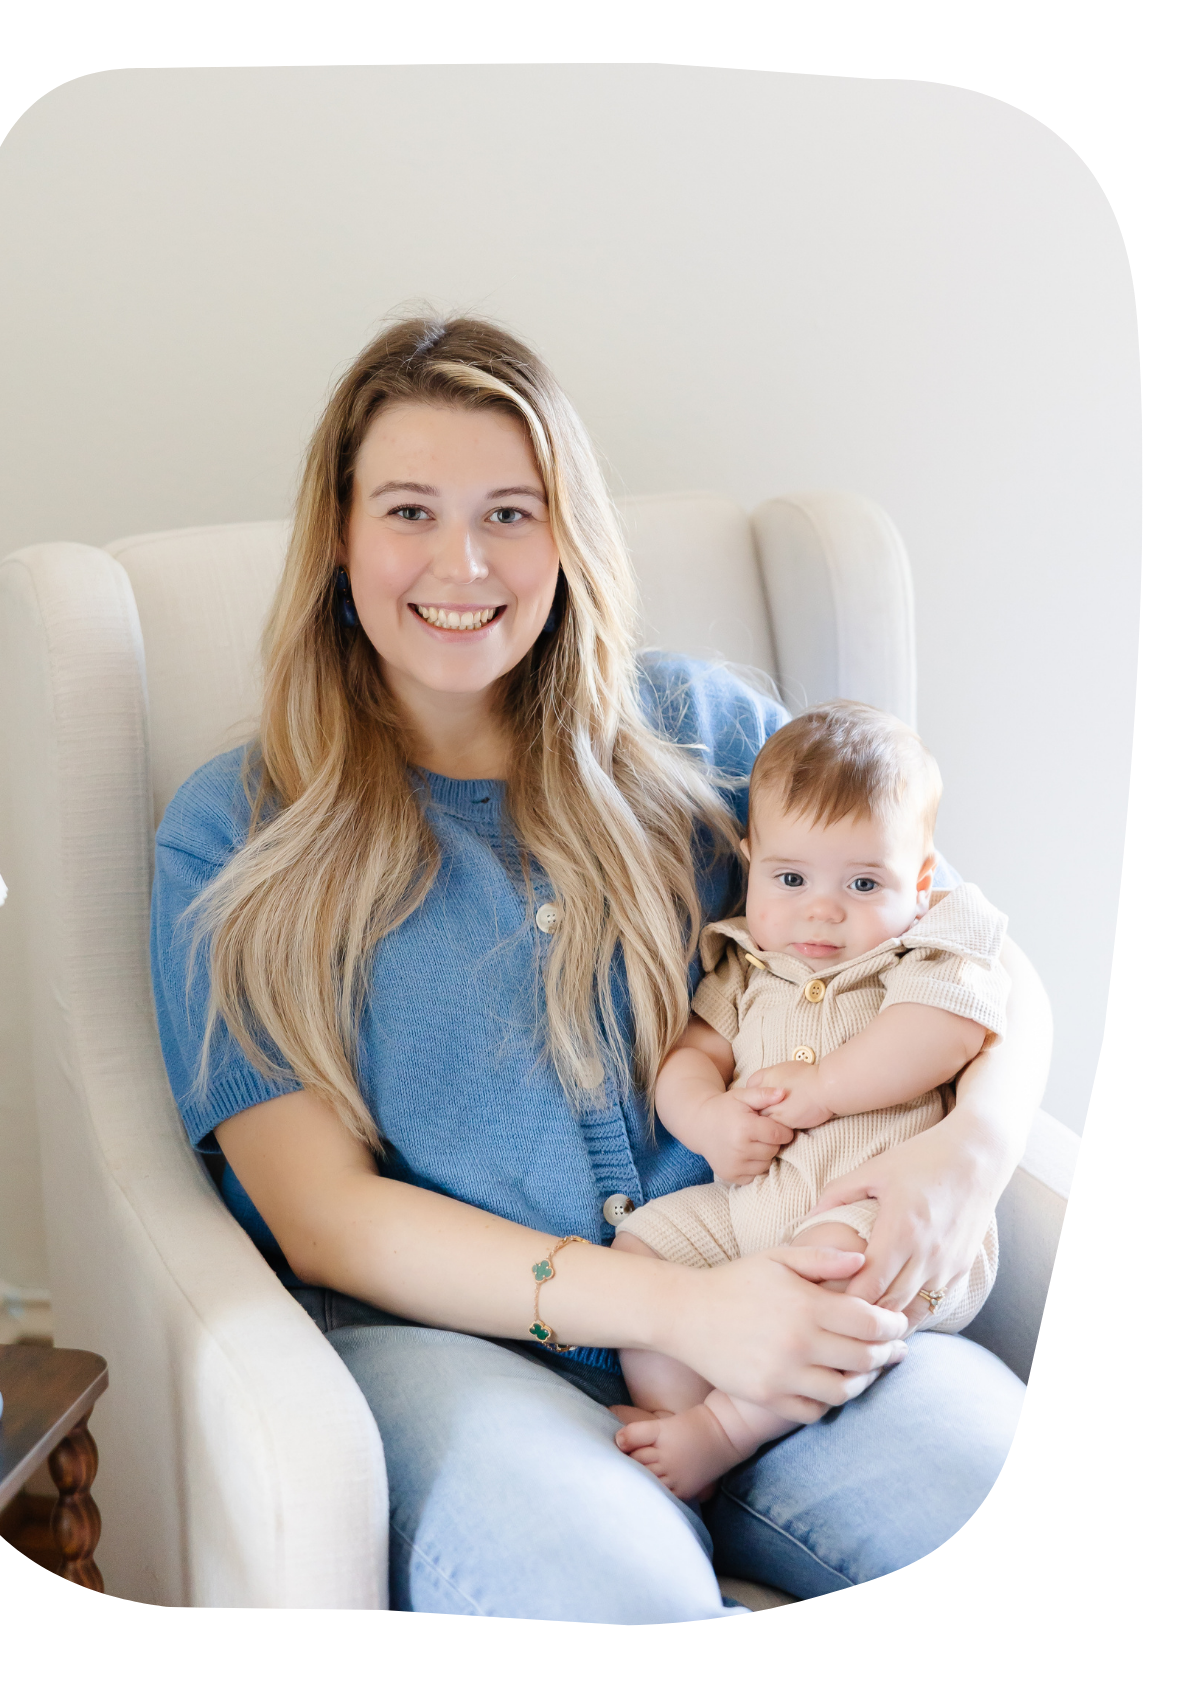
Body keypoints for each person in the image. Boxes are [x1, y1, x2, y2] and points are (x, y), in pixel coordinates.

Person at [149, 314, 1050, 1625]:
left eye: (512, 512)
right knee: (608, 1601)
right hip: (463, 1354)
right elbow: (320, 1215)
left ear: (568, 537)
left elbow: (985, 969)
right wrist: (686, 1312)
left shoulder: (713, 737)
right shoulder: (237, 829)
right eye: (410, 510)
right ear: (339, 540)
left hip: (796, 1289)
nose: (464, 562)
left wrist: (967, 1160)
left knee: (1066, 1532)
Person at [611, 702, 1010, 1500]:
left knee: (834, 1274)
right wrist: (707, 1118)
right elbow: (693, 1054)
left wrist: (824, 1088)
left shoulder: (926, 946)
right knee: (644, 1252)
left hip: (877, 1214)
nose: (822, 910)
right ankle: (677, 1407)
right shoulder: (749, 963)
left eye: (864, 882)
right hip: (748, 1214)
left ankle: (727, 1429)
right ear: (752, 861)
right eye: (790, 879)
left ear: (921, 882)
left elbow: (945, 1034)